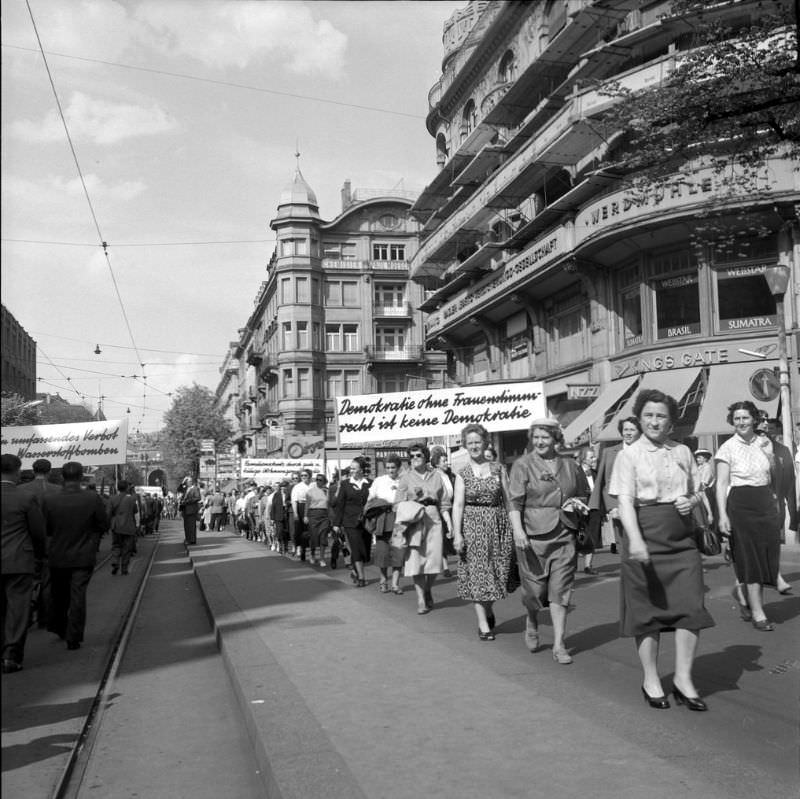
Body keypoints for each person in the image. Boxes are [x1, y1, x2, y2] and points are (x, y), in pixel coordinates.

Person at [610, 389, 714, 710]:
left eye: (661, 416)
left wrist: (690, 501)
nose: (654, 422)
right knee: (647, 614)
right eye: (649, 415)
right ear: (640, 419)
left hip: (681, 540)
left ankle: (683, 679)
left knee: (691, 607)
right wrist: (635, 540)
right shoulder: (628, 455)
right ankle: (651, 678)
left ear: (671, 422)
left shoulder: (682, 451)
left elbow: (699, 490)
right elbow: (624, 501)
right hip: (644, 535)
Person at [508, 419, 590, 664]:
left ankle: (559, 644)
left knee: (560, 590)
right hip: (533, 537)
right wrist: (518, 531)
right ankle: (532, 619)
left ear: (556, 439)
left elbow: (583, 493)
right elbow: (514, 502)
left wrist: (576, 503)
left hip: (565, 534)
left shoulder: (570, 465)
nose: (540, 442)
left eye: (545, 437)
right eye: (536, 437)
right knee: (535, 591)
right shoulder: (522, 465)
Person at [715, 401, 782, 631]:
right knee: (751, 557)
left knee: (766, 556)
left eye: (745, 418)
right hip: (741, 504)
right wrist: (722, 515)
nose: (741, 422)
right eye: (737, 418)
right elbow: (721, 484)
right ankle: (757, 612)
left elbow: (773, 475)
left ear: (754, 419)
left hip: (764, 502)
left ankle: (745, 598)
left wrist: (770, 455)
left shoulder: (765, 443)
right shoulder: (727, 448)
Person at [451, 424, 514, 641]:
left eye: (477, 442)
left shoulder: (499, 469)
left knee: (498, 573)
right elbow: (458, 505)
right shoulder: (462, 473)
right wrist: (457, 534)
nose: (474, 446)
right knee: (477, 574)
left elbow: (508, 500)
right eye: (470, 443)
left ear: (485, 442)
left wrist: (516, 528)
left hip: (499, 526)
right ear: (465, 445)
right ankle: (483, 624)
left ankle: (488, 608)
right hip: (473, 526)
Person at [44, 461, 110, 650]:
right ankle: (73, 636)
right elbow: (103, 524)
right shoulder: (92, 498)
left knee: (59, 594)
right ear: (81, 477)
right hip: (83, 554)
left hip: (58, 554)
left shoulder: (50, 499)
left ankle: (60, 627)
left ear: (62, 476)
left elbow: (45, 528)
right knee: (77, 595)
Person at [395, 444, 453, 613]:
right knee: (416, 561)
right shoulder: (406, 478)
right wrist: (412, 504)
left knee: (435, 562)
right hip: (415, 521)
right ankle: (421, 600)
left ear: (426, 457)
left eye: (418, 455)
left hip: (434, 519)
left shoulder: (437, 476)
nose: (414, 458)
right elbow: (397, 504)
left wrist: (449, 524)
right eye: (411, 456)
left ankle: (427, 588)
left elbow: (444, 503)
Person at [2, 454, 46, 673]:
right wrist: (39, 556)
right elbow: (38, 533)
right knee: (18, 608)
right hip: (19, 560)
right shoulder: (26, 497)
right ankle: (11, 655)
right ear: (17, 471)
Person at [590, 416, 642, 556]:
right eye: (625, 430)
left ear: (640, 432)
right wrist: (611, 507)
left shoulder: (648, 451)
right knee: (625, 547)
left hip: (644, 506)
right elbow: (604, 481)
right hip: (619, 507)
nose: (628, 433)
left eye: (632, 430)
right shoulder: (609, 452)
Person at [20, 458, 60, 628]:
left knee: (27, 581)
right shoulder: (58, 491)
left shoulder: (21, 490)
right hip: (51, 542)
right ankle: (45, 617)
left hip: (25, 542)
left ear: (33, 470)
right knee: (48, 581)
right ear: (49, 471)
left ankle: (26, 614)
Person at [759, 417, 797, 594]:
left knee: (773, 540)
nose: (768, 432)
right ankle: (772, 575)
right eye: (765, 429)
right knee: (758, 542)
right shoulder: (753, 449)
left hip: (776, 505)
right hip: (756, 503)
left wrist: (793, 512)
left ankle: (772, 574)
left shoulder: (783, 450)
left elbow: (789, 480)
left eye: (771, 429)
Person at [333, 457, 372, 587]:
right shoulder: (345, 484)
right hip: (350, 522)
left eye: (354, 468)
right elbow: (340, 504)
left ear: (361, 470)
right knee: (356, 548)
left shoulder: (370, 483)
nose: (351, 470)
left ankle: (355, 571)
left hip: (367, 522)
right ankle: (361, 577)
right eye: (351, 468)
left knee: (365, 551)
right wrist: (336, 523)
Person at [367, 457, 403, 593]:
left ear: (398, 467)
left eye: (393, 467)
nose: (390, 470)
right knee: (382, 552)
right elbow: (370, 498)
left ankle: (395, 584)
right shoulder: (379, 481)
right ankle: (383, 580)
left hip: (399, 518)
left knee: (398, 552)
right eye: (388, 467)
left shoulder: (403, 480)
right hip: (383, 519)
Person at [108, 481, 138, 575]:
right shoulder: (132, 499)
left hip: (116, 526)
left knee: (116, 545)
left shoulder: (112, 499)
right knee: (127, 548)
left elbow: (108, 513)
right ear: (127, 488)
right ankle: (124, 568)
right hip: (128, 527)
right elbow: (135, 511)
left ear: (118, 488)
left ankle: (115, 562)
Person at [578, 447, 599, 574]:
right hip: (579, 510)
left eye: (594, 456)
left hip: (594, 509)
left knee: (592, 536)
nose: (594, 459)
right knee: (579, 537)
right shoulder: (575, 472)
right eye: (591, 457)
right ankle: (570, 566)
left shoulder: (595, 473)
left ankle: (588, 566)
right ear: (584, 459)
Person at [304, 475, 331, 566]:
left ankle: (322, 558)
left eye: (320, 480)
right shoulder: (310, 491)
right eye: (317, 480)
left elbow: (330, 504)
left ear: (324, 481)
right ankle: (312, 555)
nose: (318, 481)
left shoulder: (327, 491)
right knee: (313, 536)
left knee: (323, 536)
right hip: (313, 514)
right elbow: (307, 504)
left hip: (324, 515)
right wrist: (305, 516)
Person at [291, 469, 313, 560]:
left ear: (310, 476)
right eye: (302, 475)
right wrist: (296, 513)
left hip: (312, 507)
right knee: (300, 530)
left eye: (305, 475)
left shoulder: (313, 485)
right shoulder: (297, 487)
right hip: (301, 507)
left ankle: (311, 550)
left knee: (311, 530)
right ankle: (300, 548)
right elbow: (294, 501)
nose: (303, 477)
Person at [270, 480, 293, 555]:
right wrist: (272, 518)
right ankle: (280, 546)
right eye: (282, 487)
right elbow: (273, 506)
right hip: (278, 515)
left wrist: (288, 503)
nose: (283, 488)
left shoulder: (289, 494)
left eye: (285, 487)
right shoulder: (276, 494)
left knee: (286, 532)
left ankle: (286, 548)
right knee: (279, 532)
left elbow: (292, 502)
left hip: (286, 514)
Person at [180, 477, 201, 545]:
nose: (186, 483)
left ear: (191, 482)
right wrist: (183, 481)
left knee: (191, 525)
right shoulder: (186, 489)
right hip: (185, 509)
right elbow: (179, 488)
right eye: (186, 482)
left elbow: (198, 497)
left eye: (187, 482)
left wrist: (188, 501)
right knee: (186, 525)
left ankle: (191, 540)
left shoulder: (195, 488)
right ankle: (188, 538)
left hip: (191, 509)